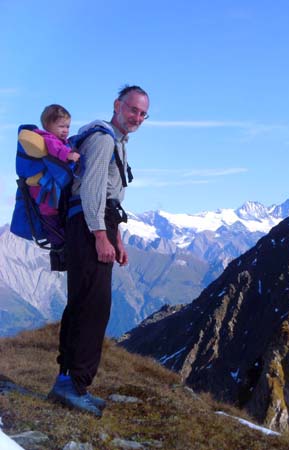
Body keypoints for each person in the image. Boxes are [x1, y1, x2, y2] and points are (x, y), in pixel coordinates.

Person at [48, 85, 150, 417]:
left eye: (143, 113)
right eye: (133, 109)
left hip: (93, 224)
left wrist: (115, 237)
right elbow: (91, 190)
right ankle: (74, 387)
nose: (137, 117)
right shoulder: (105, 139)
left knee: (82, 302)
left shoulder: (114, 142)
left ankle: (67, 383)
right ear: (118, 105)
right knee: (94, 307)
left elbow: (110, 198)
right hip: (89, 225)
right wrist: (100, 236)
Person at [28, 105, 80, 246]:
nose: (65, 130)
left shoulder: (59, 140)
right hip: (44, 190)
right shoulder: (48, 138)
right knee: (49, 214)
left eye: (68, 126)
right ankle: (58, 242)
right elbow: (55, 150)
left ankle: (60, 239)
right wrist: (69, 155)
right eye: (61, 126)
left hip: (48, 187)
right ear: (47, 125)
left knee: (54, 214)